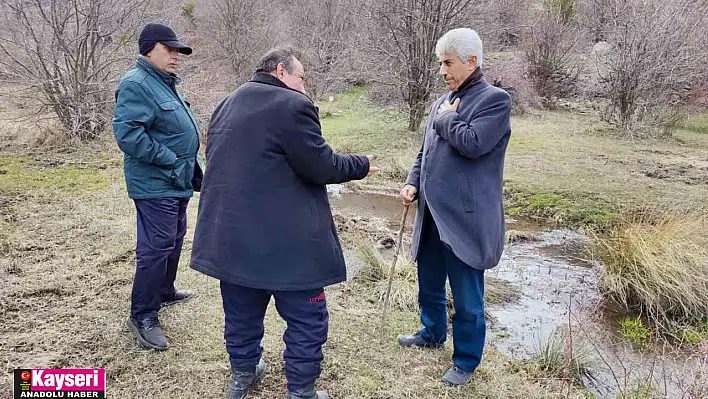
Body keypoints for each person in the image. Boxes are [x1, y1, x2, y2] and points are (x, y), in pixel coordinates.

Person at [190, 47, 378, 399]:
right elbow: (322, 166)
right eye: (301, 77)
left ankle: (243, 374)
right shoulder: (293, 105)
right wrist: (362, 164)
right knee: (307, 319)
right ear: (281, 71)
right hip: (288, 246)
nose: (303, 85)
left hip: (230, 239)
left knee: (241, 313)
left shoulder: (226, 103)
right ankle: (301, 391)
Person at [396, 28, 512, 386]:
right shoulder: (440, 102)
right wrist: (412, 181)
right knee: (428, 282)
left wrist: (446, 118)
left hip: (465, 219)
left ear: (472, 61)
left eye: (448, 63)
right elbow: (424, 151)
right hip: (432, 213)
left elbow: (474, 143)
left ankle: (465, 361)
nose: (443, 71)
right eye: (441, 64)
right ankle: (431, 334)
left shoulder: (495, 100)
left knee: (467, 297)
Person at [112, 22, 201, 351]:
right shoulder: (136, 83)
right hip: (154, 182)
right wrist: (171, 160)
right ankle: (142, 315)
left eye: (178, 50)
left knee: (174, 238)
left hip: (175, 180)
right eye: (170, 49)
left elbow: (177, 128)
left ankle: (165, 291)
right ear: (149, 49)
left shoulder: (166, 82)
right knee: (156, 247)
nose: (176, 56)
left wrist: (191, 167)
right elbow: (129, 135)